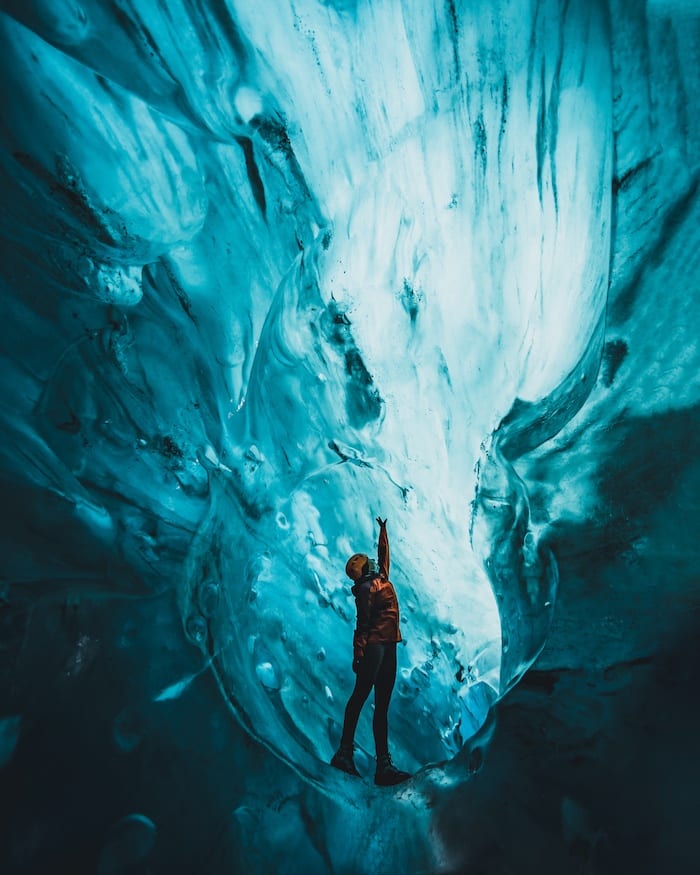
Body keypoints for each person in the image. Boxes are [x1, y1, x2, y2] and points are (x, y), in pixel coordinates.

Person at [330, 516, 411, 786]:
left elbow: (384, 554)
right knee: (360, 696)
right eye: (369, 562)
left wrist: (383, 530)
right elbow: (362, 625)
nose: (374, 562)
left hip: (389, 645)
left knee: (382, 706)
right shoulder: (366, 588)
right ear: (364, 569)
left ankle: (383, 767)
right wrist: (358, 653)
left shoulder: (381, 577)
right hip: (375, 646)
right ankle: (344, 753)